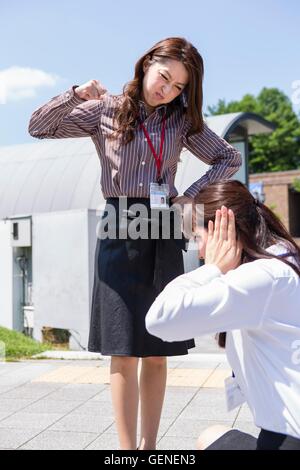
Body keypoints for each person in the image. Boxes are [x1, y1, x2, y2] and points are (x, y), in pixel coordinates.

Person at [28, 37, 241, 450]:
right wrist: (75, 94)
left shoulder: (181, 121)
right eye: (165, 77)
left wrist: (189, 195)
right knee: (122, 348)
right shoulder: (106, 109)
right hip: (119, 221)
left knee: (158, 348)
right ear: (147, 63)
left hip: (162, 225)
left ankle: (149, 448)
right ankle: (127, 452)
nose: (168, 90)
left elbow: (227, 157)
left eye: (179, 86)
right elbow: (38, 126)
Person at [146, 180, 300, 450]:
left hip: (288, 439)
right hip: (281, 434)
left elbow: (160, 319)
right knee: (211, 436)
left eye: (198, 239)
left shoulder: (262, 277)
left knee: (209, 440)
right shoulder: (282, 259)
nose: (201, 252)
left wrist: (212, 269)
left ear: (222, 231)